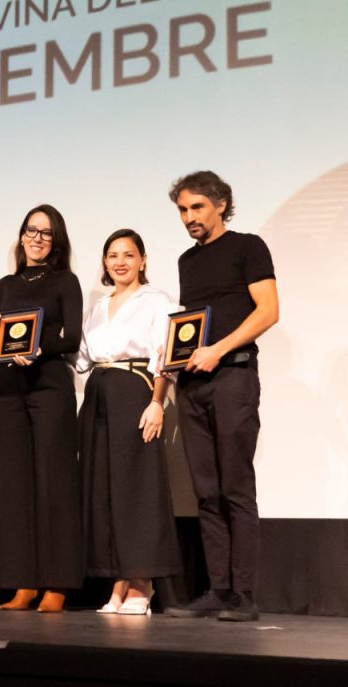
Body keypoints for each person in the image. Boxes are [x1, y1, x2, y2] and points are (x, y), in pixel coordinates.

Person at [163, 171, 279, 623]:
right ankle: (218, 589)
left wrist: (219, 349)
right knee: (206, 493)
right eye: (182, 210)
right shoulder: (186, 261)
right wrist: (175, 352)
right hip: (192, 384)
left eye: (196, 207)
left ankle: (244, 596)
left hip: (233, 376)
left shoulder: (248, 246)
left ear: (220, 204)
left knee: (235, 488)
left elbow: (268, 311)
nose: (188, 217)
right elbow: (193, 326)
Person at [75, 229, 182, 616]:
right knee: (104, 489)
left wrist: (157, 403)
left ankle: (143, 583)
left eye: (128, 254)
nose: (120, 261)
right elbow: (83, 359)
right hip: (99, 394)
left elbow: (166, 354)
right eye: (113, 255)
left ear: (143, 260)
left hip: (135, 392)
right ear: (105, 262)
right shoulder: (99, 307)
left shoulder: (157, 301)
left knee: (137, 488)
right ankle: (118, 581)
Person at [0, 204, 83, 613]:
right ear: (22, 235)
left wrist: (38, 349)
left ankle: (57, 585)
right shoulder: (6, 284)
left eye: (46, 233)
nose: (37, 238)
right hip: (10, 388)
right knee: (13, 485)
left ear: (56, 240)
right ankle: (22, 584)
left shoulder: (66, 281)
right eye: (31, 230)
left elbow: (73, 337)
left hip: (49, 385)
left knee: (55, 483)